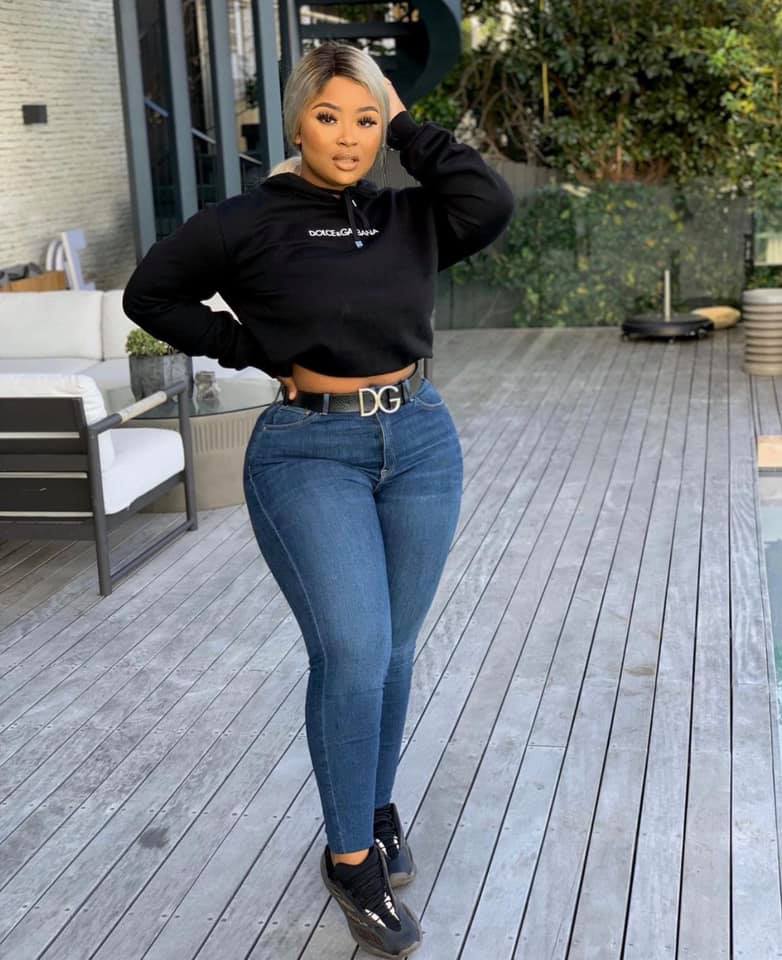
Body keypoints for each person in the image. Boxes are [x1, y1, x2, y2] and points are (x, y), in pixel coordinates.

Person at [122, 40, 515, 959]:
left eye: (367, 119)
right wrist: (250, 348)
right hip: (309, 450)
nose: (348, 136)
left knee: (395, 648)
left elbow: (488, 202)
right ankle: (350, 861)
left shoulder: (407, 215)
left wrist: (408, 124)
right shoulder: (245, 221)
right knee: (353, 649)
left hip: (419, 441)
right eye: (330, 116)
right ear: (297, 121)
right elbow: (151, 294)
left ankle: (373, 809)